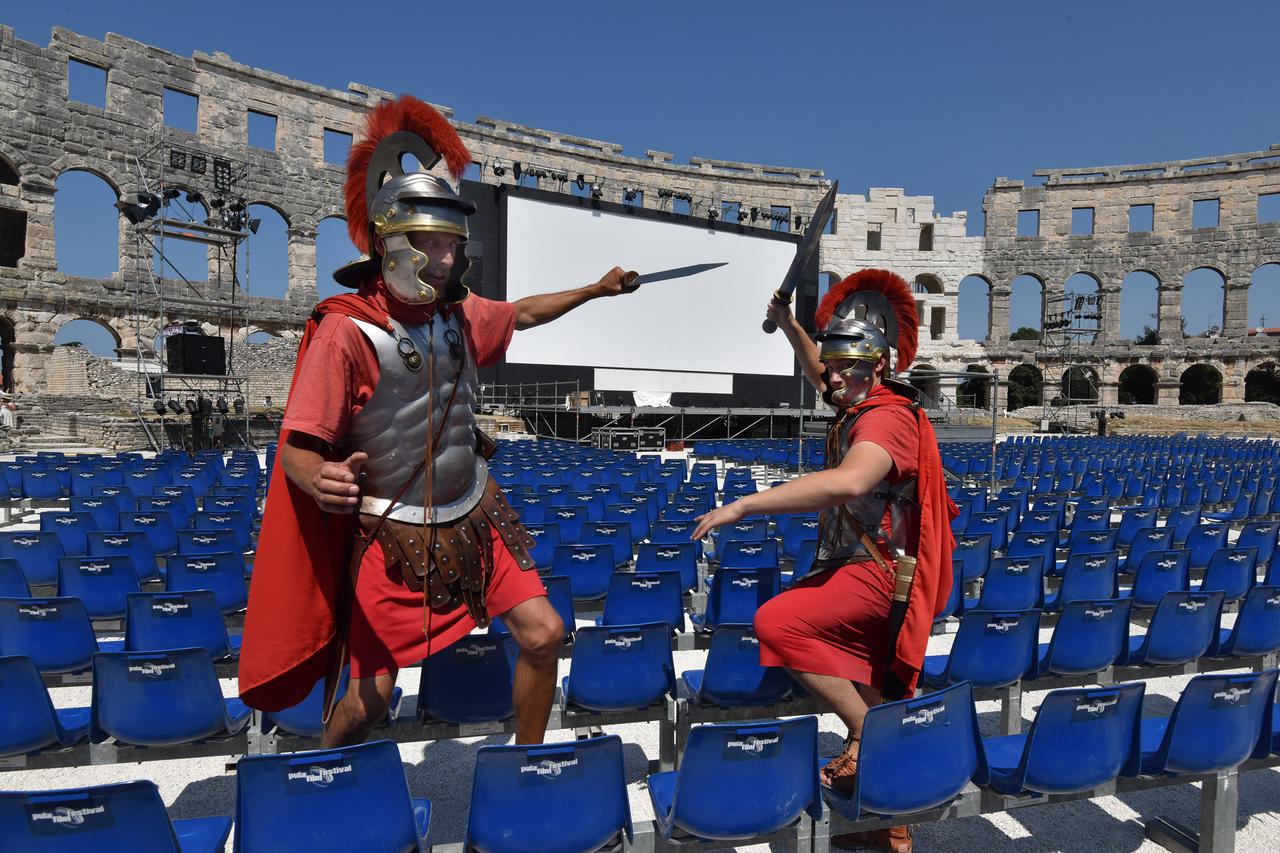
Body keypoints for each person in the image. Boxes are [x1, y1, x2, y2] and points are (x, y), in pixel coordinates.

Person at [239, 95, 639, 748]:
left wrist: (594, 289)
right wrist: (320, 479)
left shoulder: (461, 315)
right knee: (370, 699)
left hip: (475, 510)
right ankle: (315, 771)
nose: (452, 258)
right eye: (437, 243)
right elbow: (297, 448)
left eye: (455, 243)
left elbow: (526, 313)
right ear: (395, 241)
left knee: (544, 633)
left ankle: (526, 766)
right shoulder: (346, 331)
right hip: (393, 532)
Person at [691, 269, 955, 853]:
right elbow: (820, 368)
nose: (829, 376)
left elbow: (852, 480)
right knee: (873, 683)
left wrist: (746, 504)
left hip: (876, 574)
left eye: (845, 366)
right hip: (857, 567)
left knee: (778, 623)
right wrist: (789, 326)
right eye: (831, 365)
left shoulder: (885, 417)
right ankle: (888, 824)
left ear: (877, 365)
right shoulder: (860, 396)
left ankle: (872, 739)